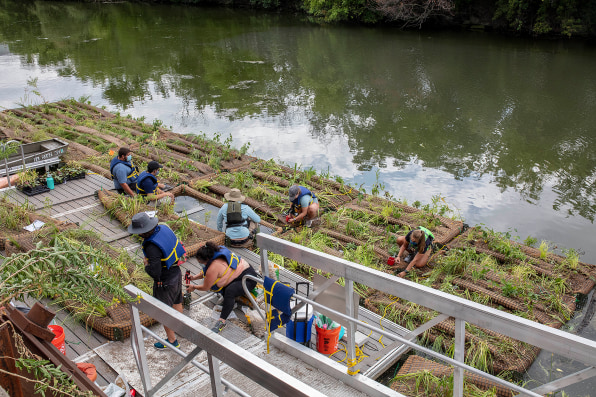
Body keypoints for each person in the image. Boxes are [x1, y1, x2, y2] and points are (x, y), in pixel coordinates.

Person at [128, 212, 187, 349]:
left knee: (163, 311)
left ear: (142, 232)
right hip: (176, 273)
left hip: (165, 282)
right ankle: (181, 328)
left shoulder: (151, 247)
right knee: (177, 300)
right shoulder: (163, 229)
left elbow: (155, 273)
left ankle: (172, 341)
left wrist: (146, 265)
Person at [185, 242, 258, 333]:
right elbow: (205, 271)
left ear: (207, 260)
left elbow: (206, 287)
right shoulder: (213, 252)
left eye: (201, 263)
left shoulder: (213, 267)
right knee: (223, 286)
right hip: (240, 273)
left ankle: (222, 321)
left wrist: (194, 287)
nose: (200, 264)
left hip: (248, 279)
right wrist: (194, 277)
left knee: (229, 292)